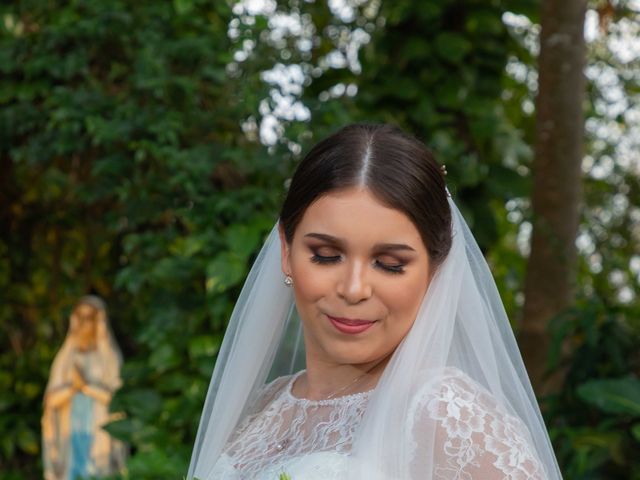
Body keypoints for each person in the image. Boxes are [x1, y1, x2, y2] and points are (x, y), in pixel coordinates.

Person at [188, 124, 562, 479]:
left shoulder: (448, 417)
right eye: (325, 255)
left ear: (435, 271)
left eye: (389, 264)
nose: (353, 289)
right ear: (286, 251)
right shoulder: (261, 409)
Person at [42, 295, 127, 480]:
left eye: (89, 318)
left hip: (99, 434)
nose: (83, 324)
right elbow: (50, 402)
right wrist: (73, 387)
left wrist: (86, 387)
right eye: (79, 317)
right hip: (70, 436)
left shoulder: (109, 357)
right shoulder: (66, 358)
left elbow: (118, 401)